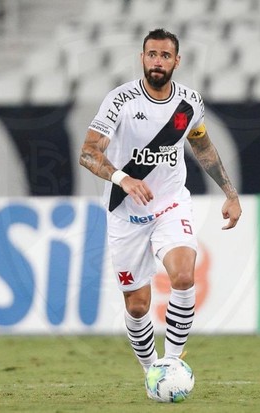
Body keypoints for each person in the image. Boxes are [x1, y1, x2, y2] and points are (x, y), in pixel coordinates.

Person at [79, 28, 241, 374]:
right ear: (142, 58)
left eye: (165, 55)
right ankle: (152, 371)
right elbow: (89, 153)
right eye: (151, 54)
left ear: (177, 61)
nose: (157, 61)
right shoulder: (120, 100)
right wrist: (124, 178)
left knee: (183, 277)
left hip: (170, 204)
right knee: (137, 307)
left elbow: (202, 146)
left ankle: (172, 362)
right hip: (125, 212)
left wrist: (230, 193)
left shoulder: (188, 103)